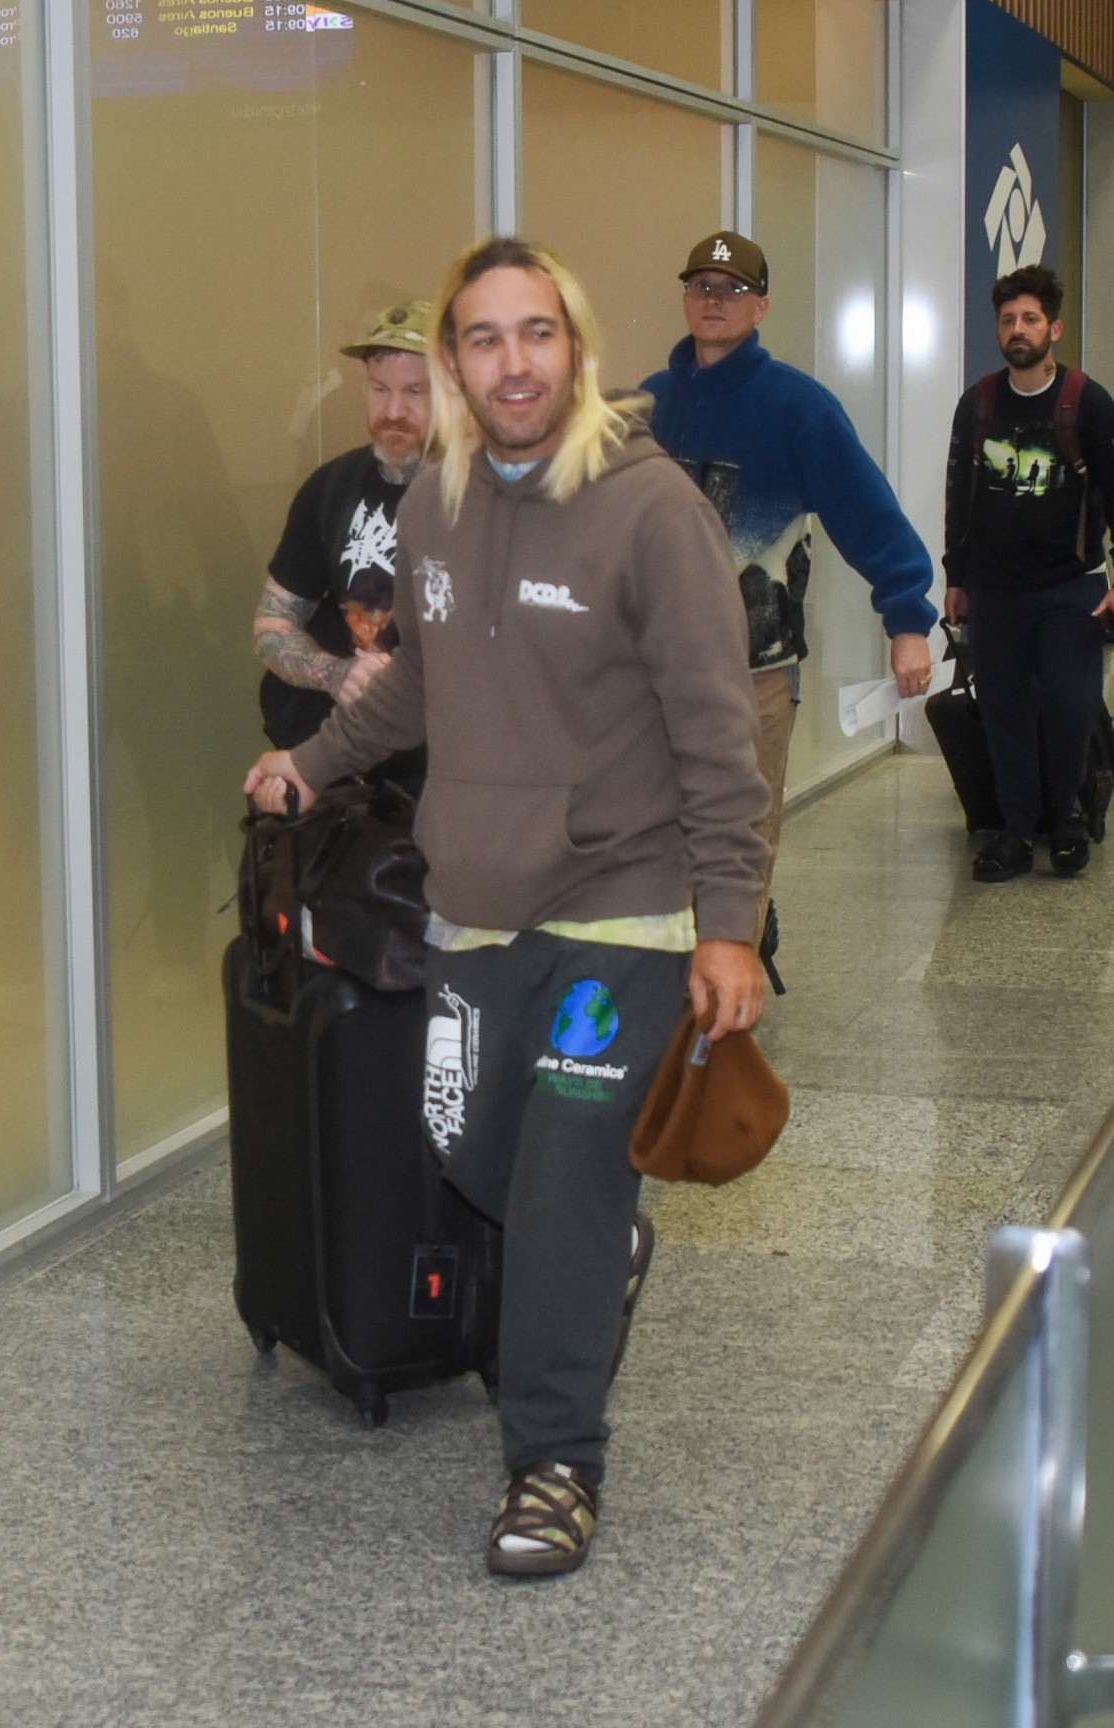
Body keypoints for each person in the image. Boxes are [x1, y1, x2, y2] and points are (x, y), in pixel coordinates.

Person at [245, 235, 770, 1578]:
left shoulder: (650, 513)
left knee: (556, 1187)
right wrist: (306, 767)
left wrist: (727, 924)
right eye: (481, 339)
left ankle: (551, 1464)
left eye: (534, 332)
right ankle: (596, 1261)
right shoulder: (435, 510)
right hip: (475, 908)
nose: (511, 361)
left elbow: (716, 734)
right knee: (474, 1155)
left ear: (575, 348)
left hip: (621, 905)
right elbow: (414, 685)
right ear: (451, 366)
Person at [641, 230, 937, 909]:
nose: (713, 301)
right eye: (700, 287)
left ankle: (721, 1005)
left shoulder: (798, 407)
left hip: (755, 673)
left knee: (738, 841)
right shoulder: (648, 406)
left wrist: (907, 618)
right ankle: (675, 988)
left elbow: (867, 514)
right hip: (652, 673)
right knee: (655, 841)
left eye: (732, 290)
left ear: (761, 307)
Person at [943, 264, 1114, 881]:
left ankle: (1066, 817)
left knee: (1071, 704)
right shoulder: (980, 403)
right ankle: (1015, 832)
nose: (1018, 329)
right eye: (1009, 319)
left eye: (1030, 319)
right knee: (1006, 711)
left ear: (1054, 329)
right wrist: (955, 577)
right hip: (994, 592)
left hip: (1072, 588)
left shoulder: (1086, 403)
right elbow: (959, 492)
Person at [253, 301, 432, 770]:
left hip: (434, 770)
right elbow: (272, 628)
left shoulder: (476, 497)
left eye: (416, 391)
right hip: (330, 764)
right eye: (379, 390)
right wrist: (338, 675)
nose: (394, 411)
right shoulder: (331, 486)